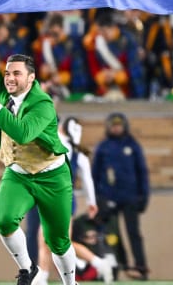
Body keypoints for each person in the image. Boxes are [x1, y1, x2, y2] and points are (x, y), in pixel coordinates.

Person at [0, 19, 78, 285]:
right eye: (8, 73)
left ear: (31, 78)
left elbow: (24, 133)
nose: (9, 77)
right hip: (18, 173)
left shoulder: (43, 103)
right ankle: (27, 269)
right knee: (5, 221)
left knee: (57, 241)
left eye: (17, 73)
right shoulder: (3, 93)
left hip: (52, 176)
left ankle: (70, 283)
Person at [32, 117, 117, 285]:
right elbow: (87, 180)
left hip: (58, 198)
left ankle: (95, 264)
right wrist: (91, 203)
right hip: (56, 198)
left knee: (56, 241)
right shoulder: (77, 152)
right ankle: (43, 276)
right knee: (50, 240)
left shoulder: (58, 144)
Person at [92, 112, 150, 280]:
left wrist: (144, 196)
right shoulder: (103, 147)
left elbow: (142, 172)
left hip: (130, 197)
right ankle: (117, 266)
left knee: (133, 233)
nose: (116, 128)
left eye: (119, 125)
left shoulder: (133, 145)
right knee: (112, 234)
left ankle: (141, 267)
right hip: (109, 198)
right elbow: (94, 175)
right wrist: (96, 199)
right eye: (114, 126)